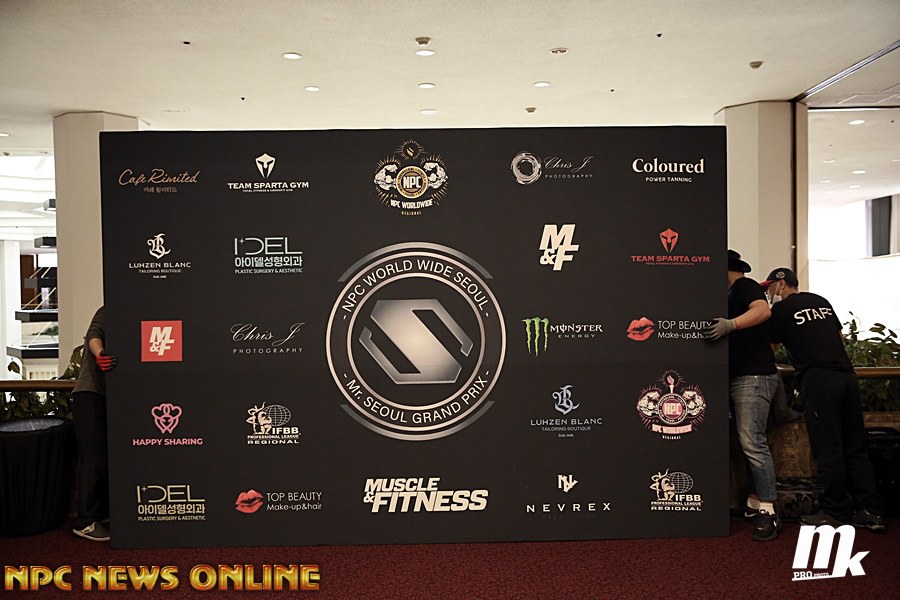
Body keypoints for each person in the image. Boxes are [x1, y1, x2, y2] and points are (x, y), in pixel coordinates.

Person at [762, 267, 885, 532]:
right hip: (847, 377)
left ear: (781, 284)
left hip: (819, 380)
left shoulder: (781, 310)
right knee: (855, 446)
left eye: (770, 286)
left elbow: (768, 349)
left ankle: (836, 511)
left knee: (829, 447)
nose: (769, 292)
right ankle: (871, 511)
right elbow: (839, 337)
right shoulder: (820, 301)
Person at [703, 250, 781, 541]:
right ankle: (754, 501)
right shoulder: (730, 292)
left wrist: (731, 325)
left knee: (752, 442)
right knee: (747, 441)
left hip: (754, 377)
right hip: (742, 376)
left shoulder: (744, 286)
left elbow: (763, 311)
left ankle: (769, 509)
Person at [71, 306, 117, 541]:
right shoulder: (110, 309)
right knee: (93, 459)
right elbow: (94, 334)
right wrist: (100, 354)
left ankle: (100, 514)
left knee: (105, 457)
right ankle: (86, 521)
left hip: (109, 398)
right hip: (90, 396)